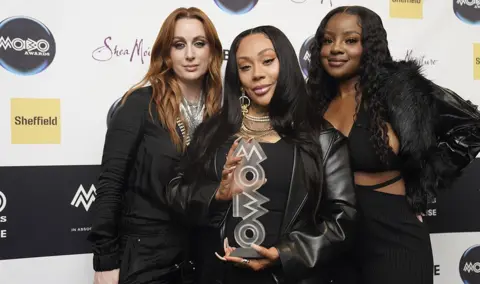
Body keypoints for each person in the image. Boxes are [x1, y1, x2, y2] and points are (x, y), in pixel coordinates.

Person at [166, 25, 357, 284]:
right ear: (237, 77)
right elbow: (175, 191)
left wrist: (285, 254)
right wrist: (216, 194)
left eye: (267, 61)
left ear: (286, 64)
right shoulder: (213, 132)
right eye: (245, 67)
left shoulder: (322, 139)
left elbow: (342, 221)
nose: (257, 74)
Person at [306, 5, 480, 284]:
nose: (336, 48)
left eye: (350, 40)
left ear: (370, 45)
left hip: (393, 236)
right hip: (335, 239)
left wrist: (423, 179)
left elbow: (471, 125)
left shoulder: (399, 88)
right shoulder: (315, 100)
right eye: (328, 40)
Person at [87, 7, 223, 284]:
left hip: (202, 258)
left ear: (212, 51)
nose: (190, 54)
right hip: (146, 258)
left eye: (199, 43)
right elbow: (111, 184)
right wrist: (105, 261)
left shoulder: (221, 113)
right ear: (166, 52)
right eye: (179, 45)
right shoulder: (139, 105)